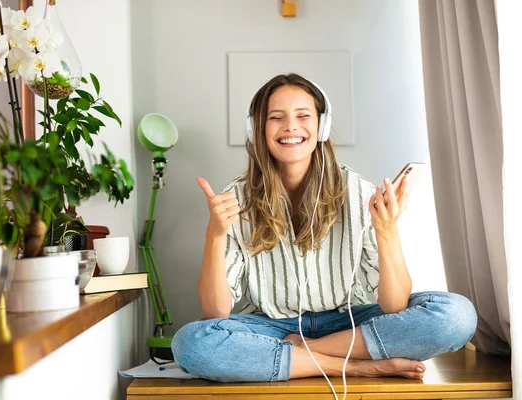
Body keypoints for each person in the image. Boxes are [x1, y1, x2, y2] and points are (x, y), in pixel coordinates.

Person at [171, 73, 477, 383]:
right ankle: (351, 365)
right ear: (257, 129)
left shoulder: (356, 190)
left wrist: (387, 232)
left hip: (349, 325)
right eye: (276, 117)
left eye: (303, 116)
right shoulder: (237, 198)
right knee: (191, 343)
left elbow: (394, 306)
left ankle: (307, 352)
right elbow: (215, 313)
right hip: (272, 327)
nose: (291, 126)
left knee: (457, 315)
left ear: (322, 126)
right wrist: (215, 235)